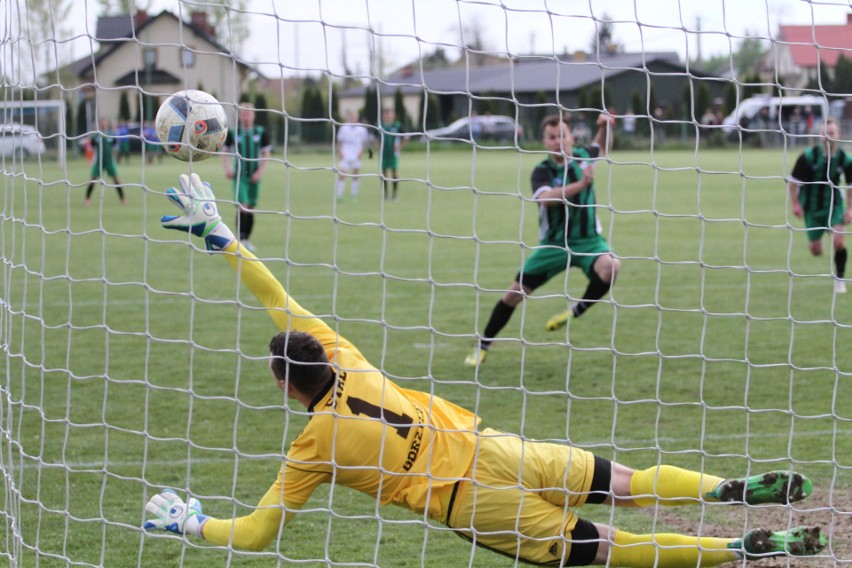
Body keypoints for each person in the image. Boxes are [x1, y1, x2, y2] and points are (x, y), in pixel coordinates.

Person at [142, 173, 827, 566]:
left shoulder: (310, 448)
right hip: (496, 448)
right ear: (322, 354)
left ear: (284, 386)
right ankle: (730, 489)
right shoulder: (346, 355)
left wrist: (192, 524)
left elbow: (260, 534)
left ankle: (745, 548)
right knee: (628, 481)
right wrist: (224, 240)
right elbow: (277, 299)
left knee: (613, 550)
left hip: (470, 502)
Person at [464, 113, 620, 367]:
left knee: (611, 266)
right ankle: (482, 346)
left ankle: (573, 312)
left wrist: (603, 126)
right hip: (554, 245)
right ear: (545, 142)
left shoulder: (583, 157)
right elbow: (546, 198)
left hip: (589, 241)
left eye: (562, 135)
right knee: (514, 294)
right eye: (552, 137)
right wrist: (580, 185)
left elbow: (602, 145)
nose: (558, 141)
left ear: (571, 137)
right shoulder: (541, 171)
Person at [788, 117, 852, 294]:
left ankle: (840, 279)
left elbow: (850, 187)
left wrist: (849, 209)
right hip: (812, 209)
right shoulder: (808, 156)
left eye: (831, 133)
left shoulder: (845, 159)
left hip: (834, 205)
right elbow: (793, 182)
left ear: (838, 135)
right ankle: (821, 239)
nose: (828, 136)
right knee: (816, 251)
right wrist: (795, 204)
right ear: (819, 135)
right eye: (824, 133)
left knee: (839, 241)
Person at [221, 102, 272, 252]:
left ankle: (246, 239)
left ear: (254, 115)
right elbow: (224, 153)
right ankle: (240, 240)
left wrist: (259, 172)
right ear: (240, 116)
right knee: (242, 206)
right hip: (240, 175)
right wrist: (227, 168)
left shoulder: (261, 132)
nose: (246, 116)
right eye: (243, 113)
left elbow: (266, 154)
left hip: (255, 175)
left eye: (248, 113)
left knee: (250, 208)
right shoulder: (233, 133)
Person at [84, 118, 125, 205]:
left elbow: (115, 144)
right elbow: (91, 145)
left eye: (104, 123)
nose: (103, 125)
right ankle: (87, 198)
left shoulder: (111, 134)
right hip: (99, 162)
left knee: (116, 179)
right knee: (92, 179)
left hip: (109, 161)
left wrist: (116, 157)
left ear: (106, 124)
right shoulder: (96, 135)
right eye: (101, 123)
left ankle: (122, 199)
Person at [335, 110, 371, 203]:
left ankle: (354, 195)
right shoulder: (344, 127)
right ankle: (339, 195)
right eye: (351, 116)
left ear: (357, 118)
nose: (353, 118)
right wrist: (340, 152)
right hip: (345, 155)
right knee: (342, 175)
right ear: (349, 117)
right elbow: (340, 141)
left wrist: (361, 152)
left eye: (354, 116)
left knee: (355, 175)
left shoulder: (361, 129)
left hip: (356, 155)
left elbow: (364, 142)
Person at [378, 107, 405, 201]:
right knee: (384, 173)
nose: (387, 116)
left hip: (393, 154)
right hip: (383, 153)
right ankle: (385, 194)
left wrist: (400, 146)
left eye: (389, 114)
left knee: (394, 173)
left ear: (392, 115)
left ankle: (394, 194)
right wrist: (377, 146)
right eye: (386, 114)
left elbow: (406, 137)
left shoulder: (397, 125)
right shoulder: (380, 126)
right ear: (383, 116)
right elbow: (372, 137)